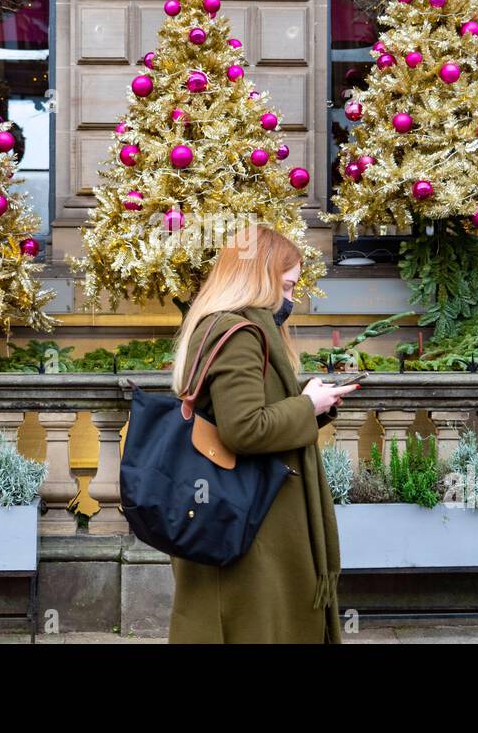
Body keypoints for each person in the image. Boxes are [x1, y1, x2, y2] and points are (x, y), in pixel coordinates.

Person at [166, 224, 358, 644]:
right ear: (260, 279)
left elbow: (244, 416)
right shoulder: (240, 336)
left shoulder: (220, 327)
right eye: (287, 286)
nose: (291, 299)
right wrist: (307, 406)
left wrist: (314, 409)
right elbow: (245, 430)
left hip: (239, 518)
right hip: (252, 528)